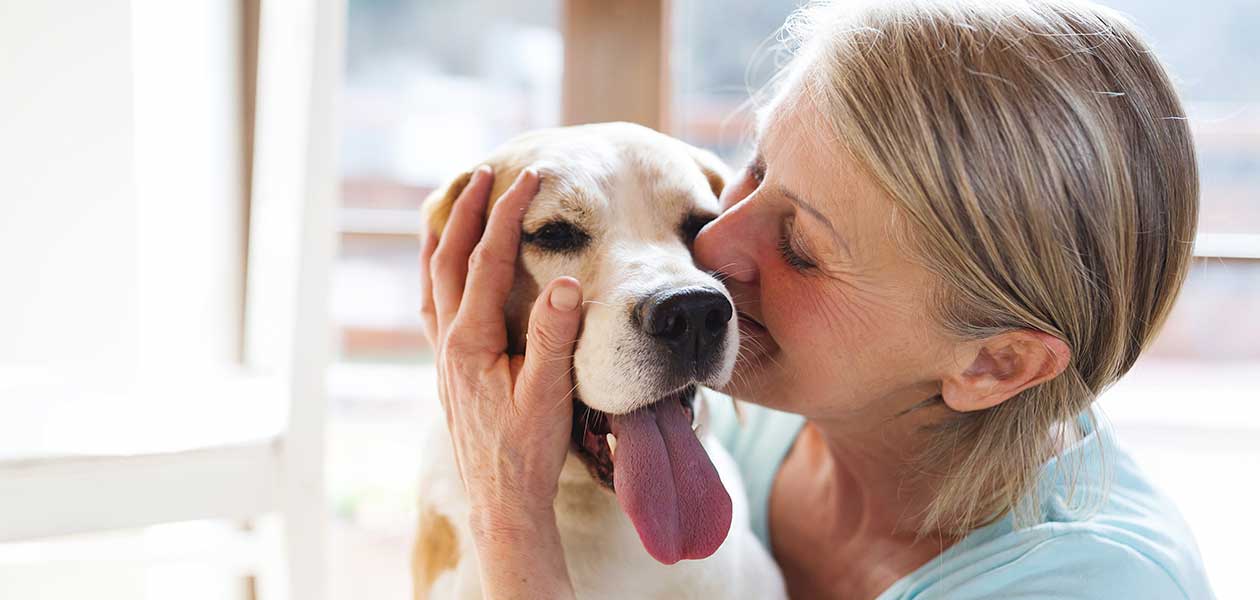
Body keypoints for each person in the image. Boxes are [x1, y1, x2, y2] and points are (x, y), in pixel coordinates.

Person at [417, 1, 1214, 598]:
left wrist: (511, 521)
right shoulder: (761, 418)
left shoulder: (1091, 586)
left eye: (802, 247)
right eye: (751, 177)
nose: (712, 255)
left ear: (994, 361)